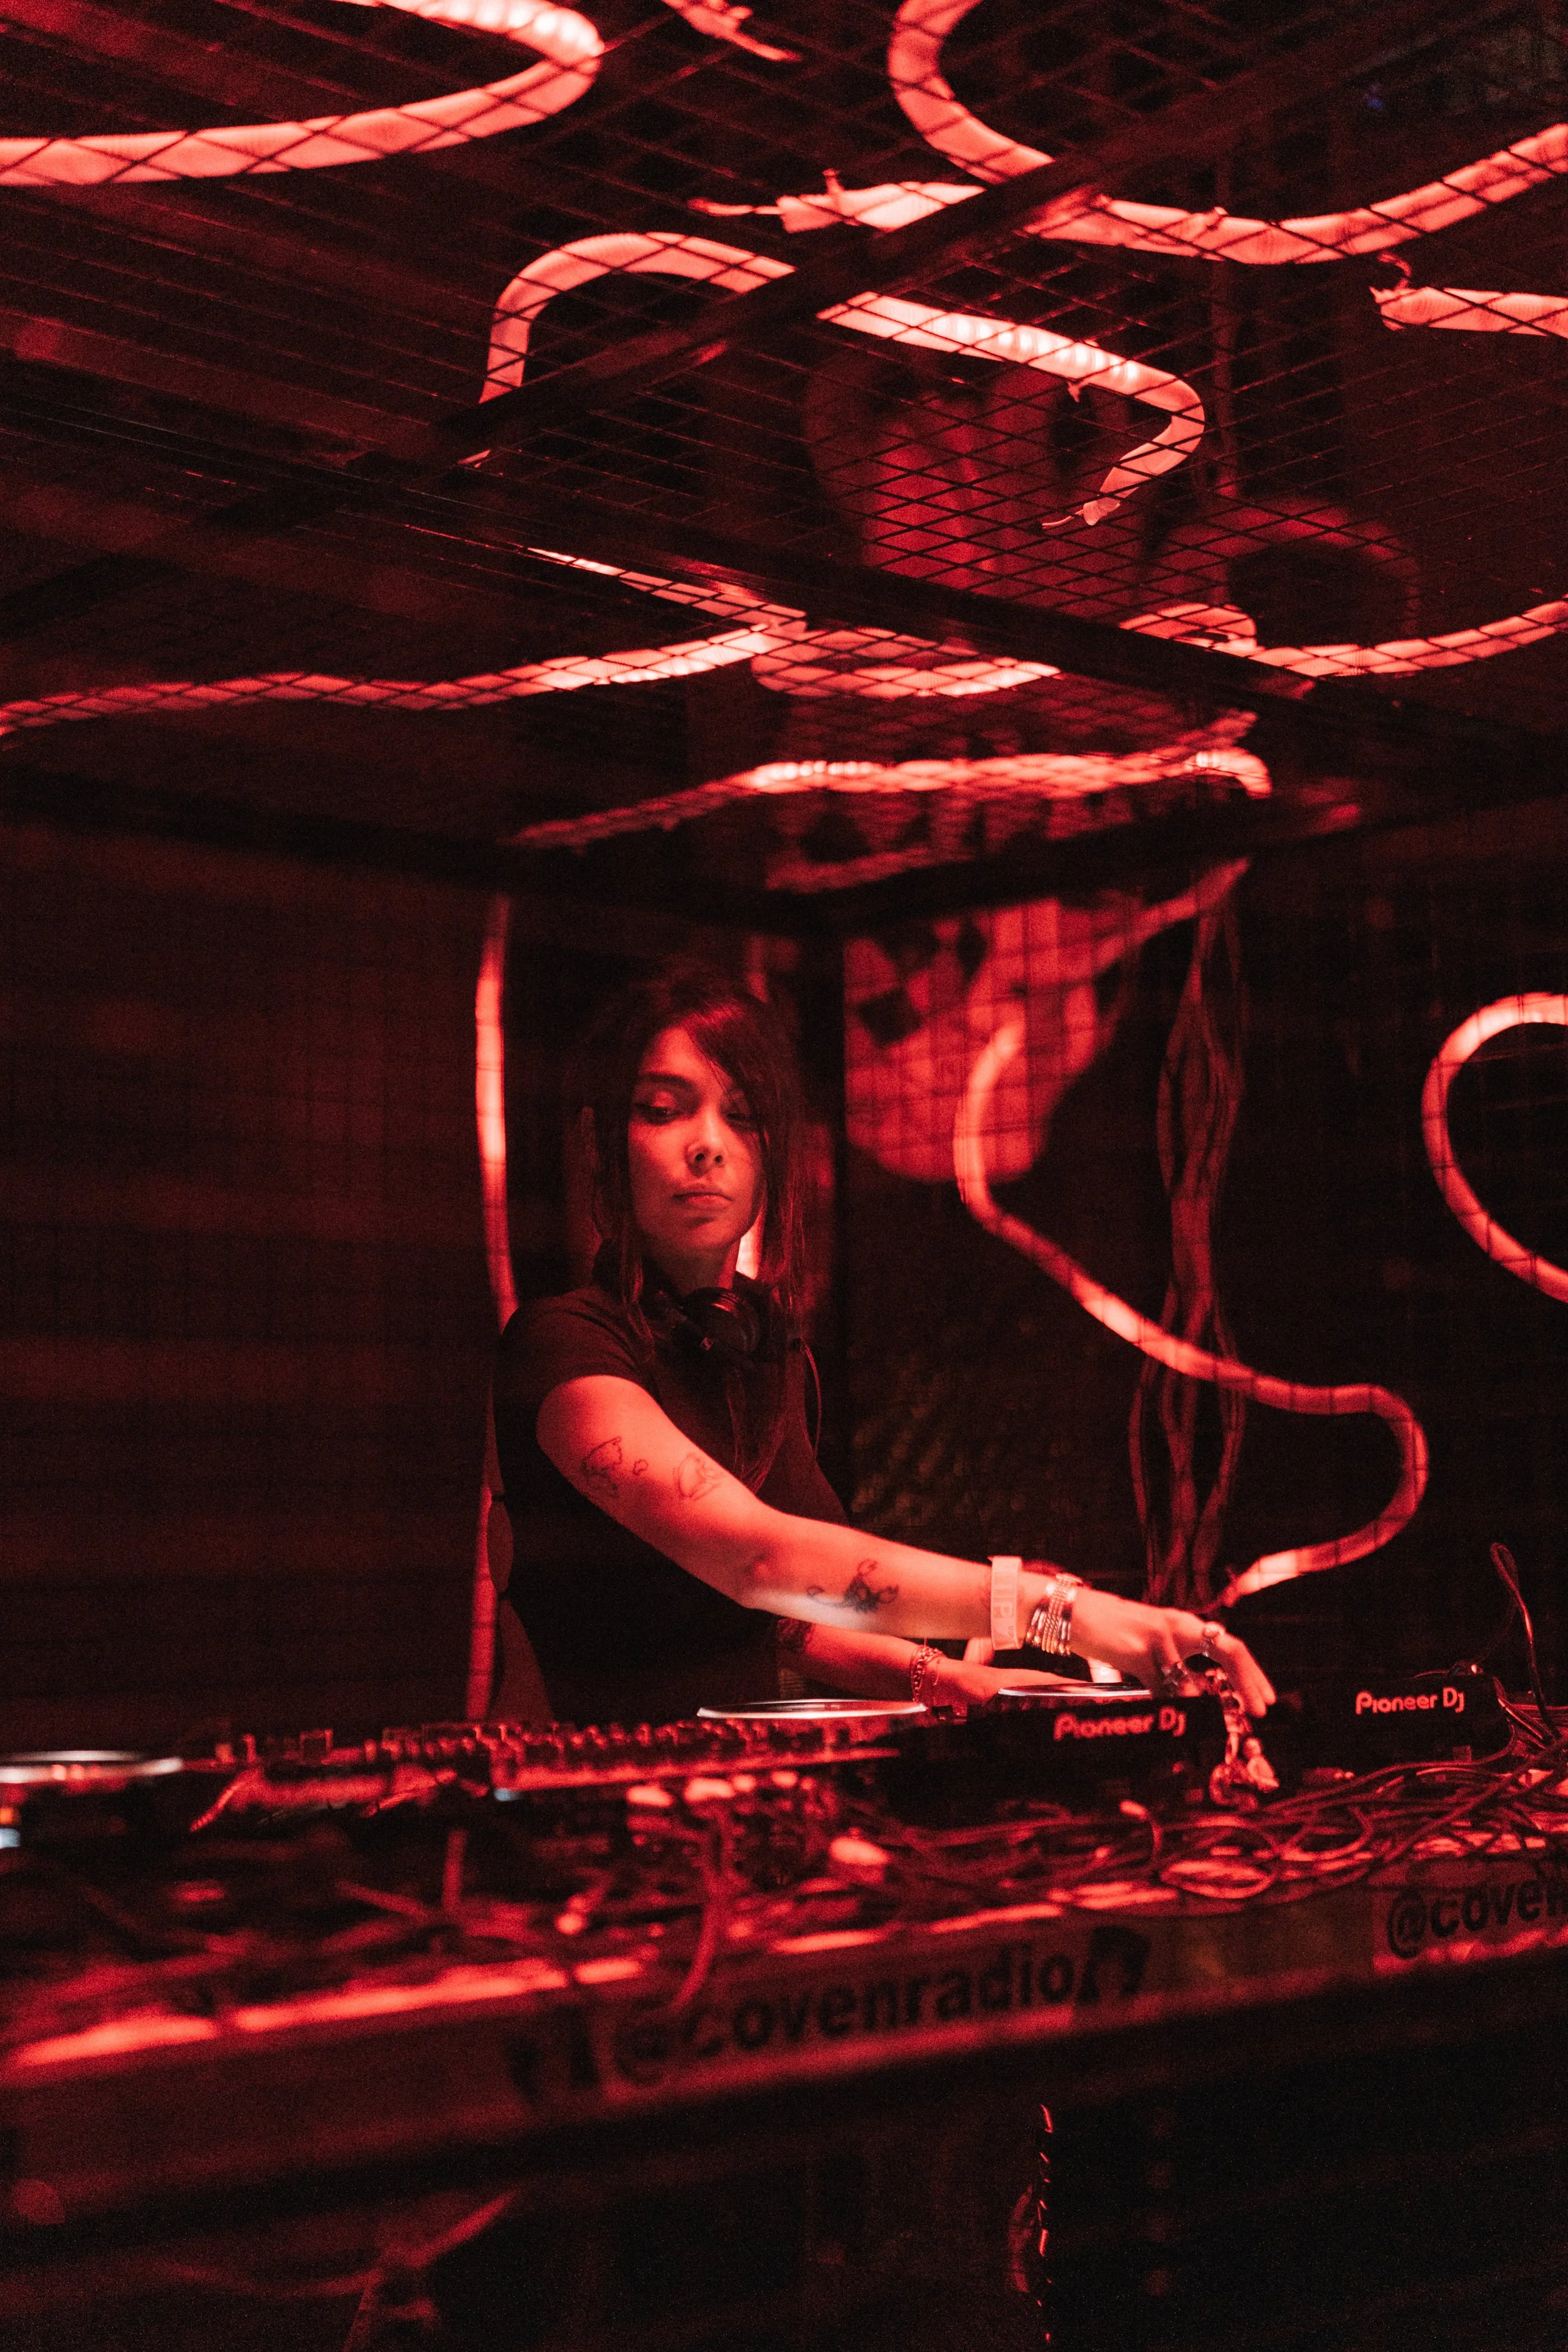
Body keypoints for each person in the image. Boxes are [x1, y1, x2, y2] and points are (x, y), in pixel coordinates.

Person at [490, 963, 1274, 1728]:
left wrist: (950, 1680)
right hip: (581, 1785)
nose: (708, 1145)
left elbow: (783, 1620)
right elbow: (756, 1562)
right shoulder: (563, 1347)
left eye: (744, 1115)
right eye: (662, 1110)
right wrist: (1063, 1614)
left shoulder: (759, 1348)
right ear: (600, 1142)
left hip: (731, 1776)